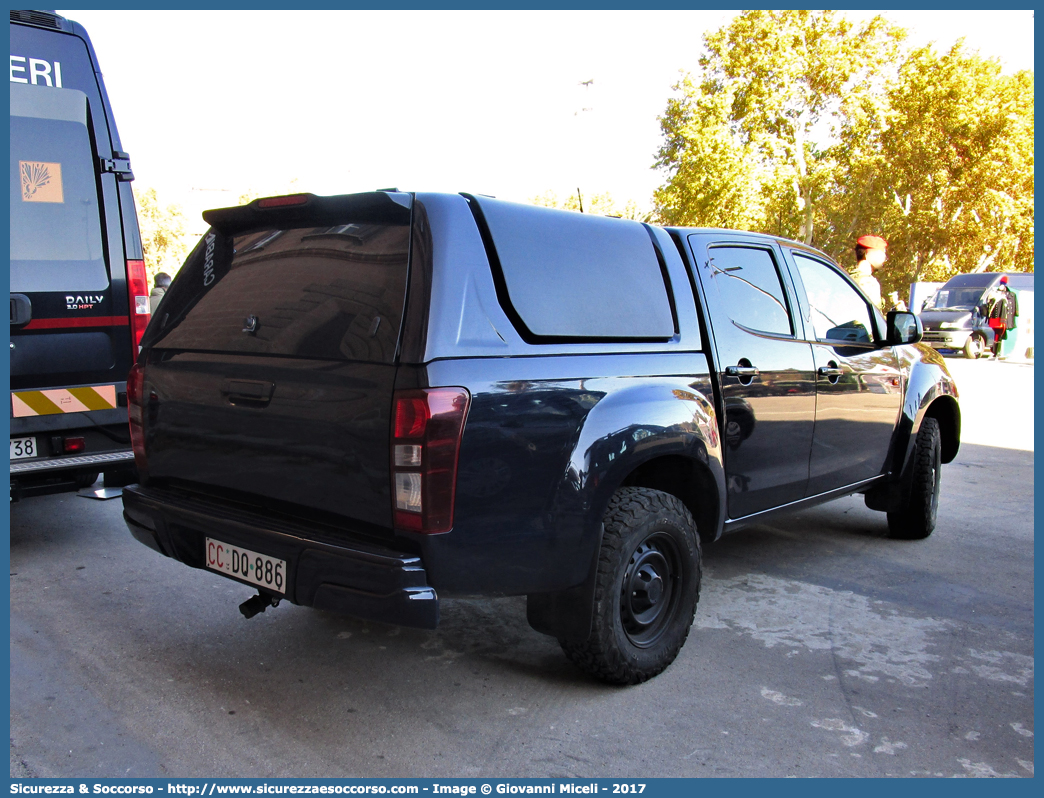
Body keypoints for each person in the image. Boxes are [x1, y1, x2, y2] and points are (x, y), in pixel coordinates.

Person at [986, 275, 1018, 358]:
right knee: (997, 334)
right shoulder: (994, 293)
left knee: (999, 334)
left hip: (1005, 318)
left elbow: (1014, 307)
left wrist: (1015, 315)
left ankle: (997, 352)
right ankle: (996, 351)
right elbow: (989, 303)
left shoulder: (1011, 294)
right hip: (996, 318)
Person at [852, 235, 887, 310]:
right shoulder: (868, 283)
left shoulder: (849, 277)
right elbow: (873, 316)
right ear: (867, 253)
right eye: (882, 252)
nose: (884, 257)